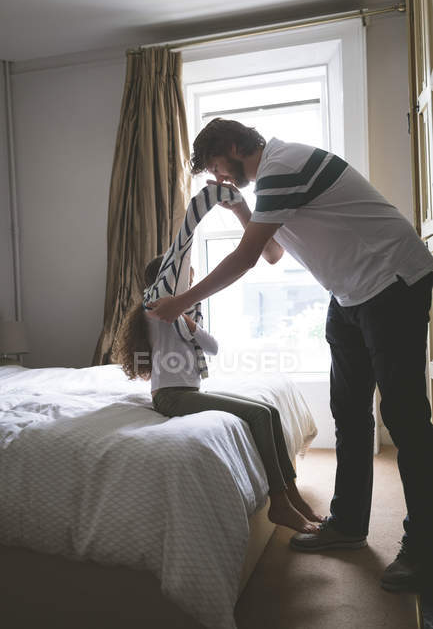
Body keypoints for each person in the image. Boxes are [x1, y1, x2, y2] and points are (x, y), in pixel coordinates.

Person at [146, 117, 433, 593]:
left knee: (404, 417)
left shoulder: (283, 165)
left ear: (237, 147)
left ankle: (424, 549)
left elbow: (245, 258)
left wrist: (179, 301)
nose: (218, 179)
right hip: (351, 295)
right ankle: (347, 524)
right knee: (349, 411)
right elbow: (273, 254)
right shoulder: (274, 180)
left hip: (393, 282)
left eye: (218, 167)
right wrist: (240, 211)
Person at [114, 253, 323, 535]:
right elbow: (167, 314)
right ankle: (280, 502)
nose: (192, 281)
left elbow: (212, 348)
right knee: (259, 415)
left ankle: (292, 494)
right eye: (186, 276)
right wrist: (181, 313)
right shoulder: (154, 310)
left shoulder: (182, 312)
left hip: (188, 391)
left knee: (269, 410)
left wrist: (190, 322)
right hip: (170, 396)